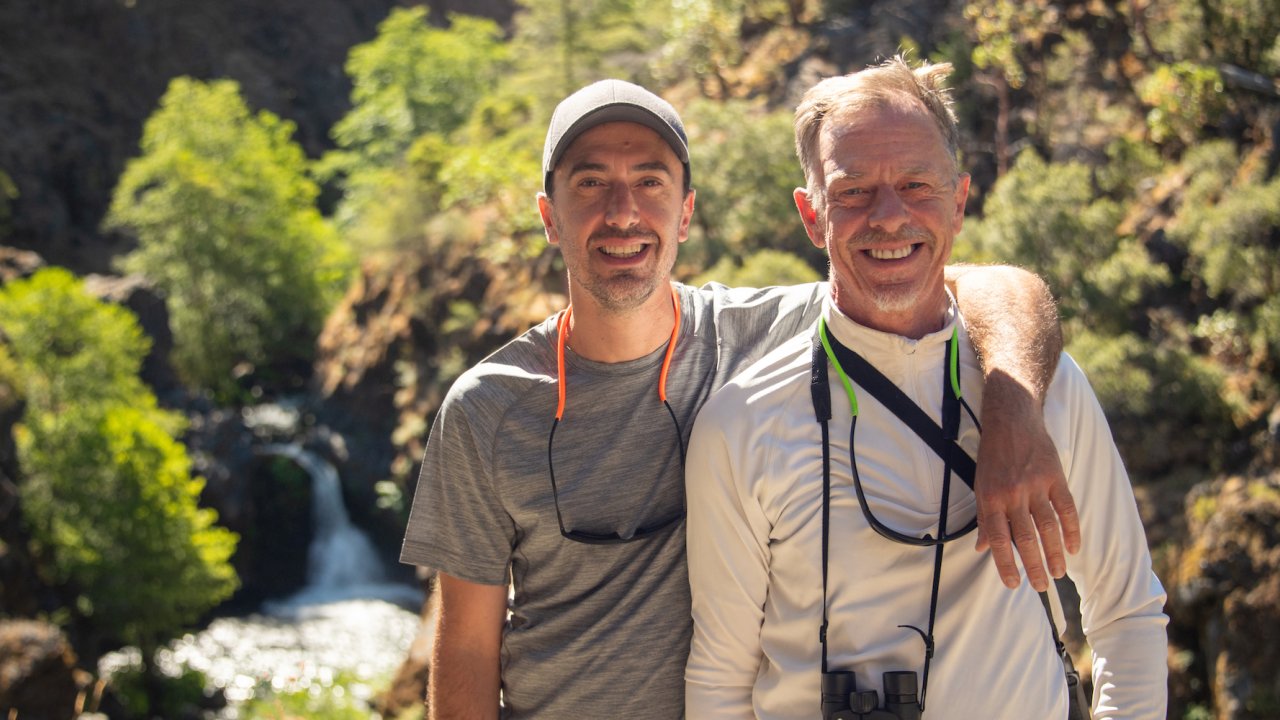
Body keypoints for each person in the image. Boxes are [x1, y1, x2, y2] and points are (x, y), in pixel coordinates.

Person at [400, 78, 1078, 720]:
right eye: (591, 183)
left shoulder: (771, 337)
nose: (622, 212)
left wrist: (1014, 411)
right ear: (550, 217)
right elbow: (464, 648)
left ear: (686, 212)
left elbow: (991, 287)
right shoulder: (486, 410)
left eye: (650, 182)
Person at [683, 57, 1168, 719]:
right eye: (852, 191)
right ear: (811, 213)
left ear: (959, 201)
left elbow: (1126, 612)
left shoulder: (1039, 390)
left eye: (916, 184)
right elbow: (719, 682)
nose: (888, 217)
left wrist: (1014, 408)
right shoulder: (740, 425)